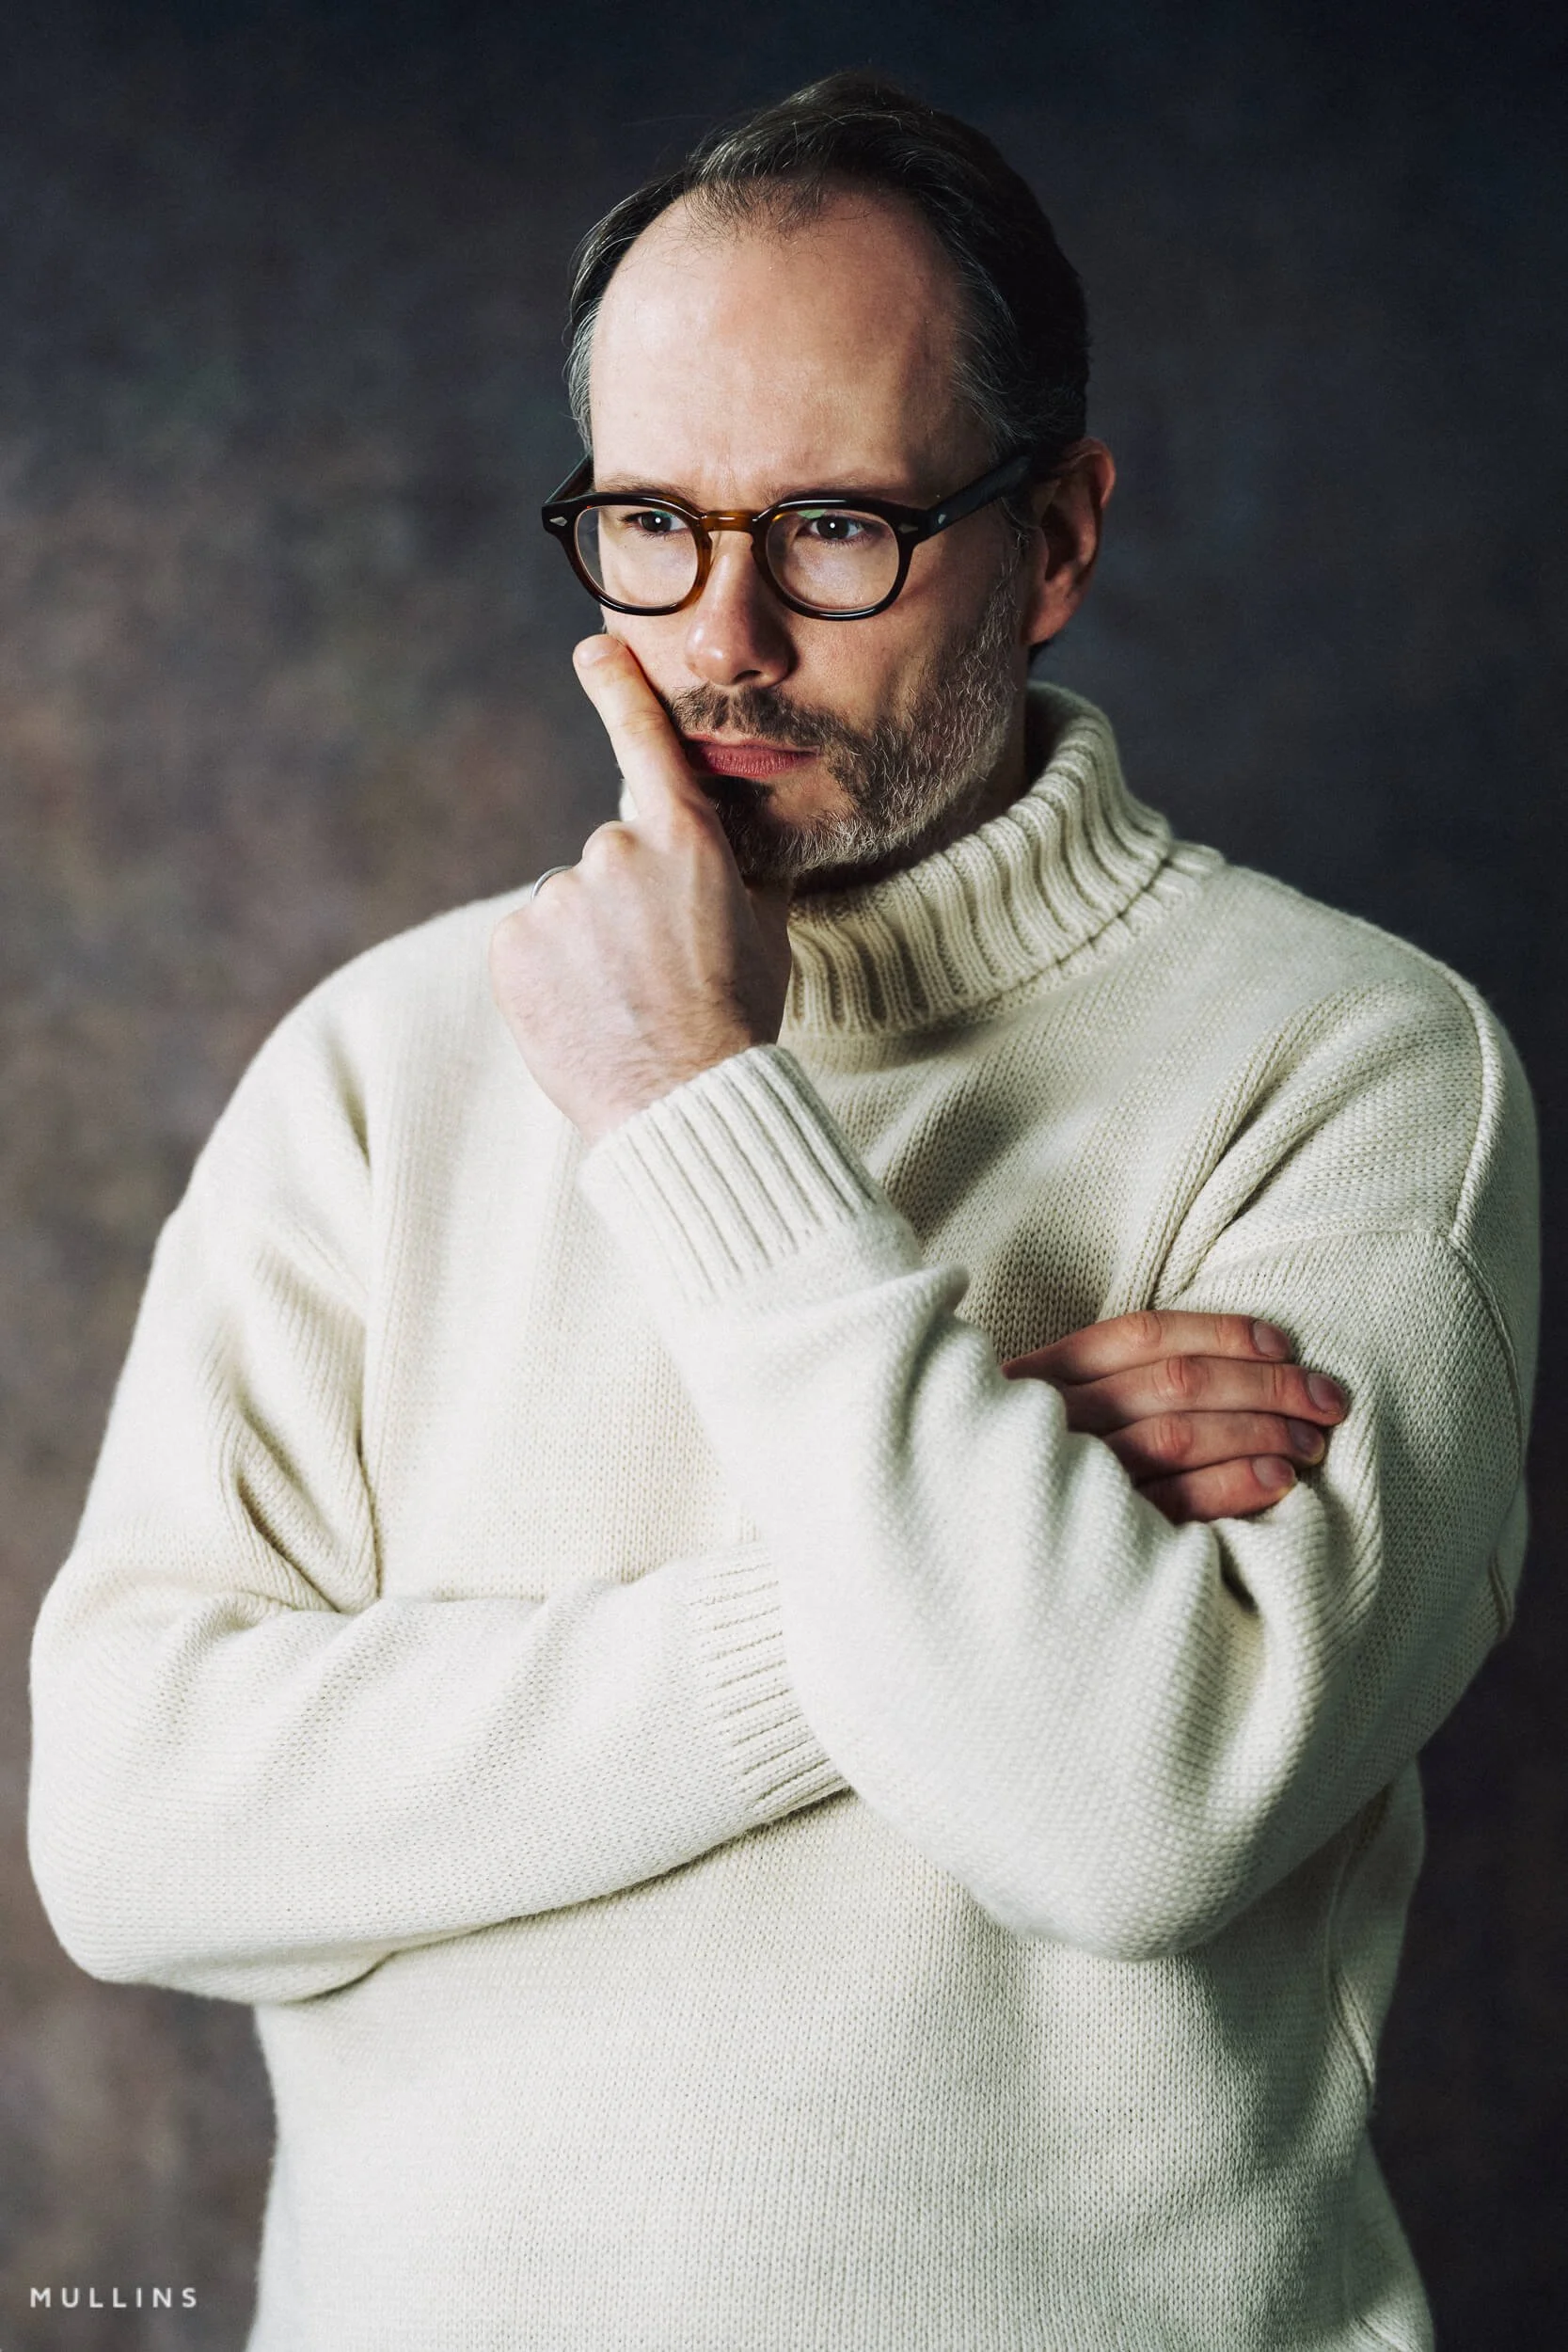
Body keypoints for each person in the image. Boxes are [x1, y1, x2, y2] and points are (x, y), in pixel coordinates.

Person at [27, 72, 1537, 2352]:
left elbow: (1115, 1808)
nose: (718, 634)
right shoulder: (382, 1060)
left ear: (1054, 537)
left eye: (833, 525)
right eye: (649, 519)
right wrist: (940, 1551)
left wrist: (694, 1103)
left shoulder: (1358, 1063)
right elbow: (135, 1839)